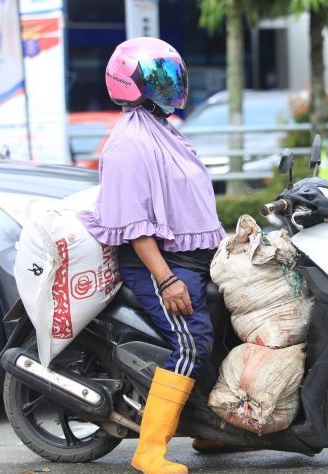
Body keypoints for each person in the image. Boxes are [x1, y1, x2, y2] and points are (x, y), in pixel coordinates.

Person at [78, 37, 227, 474]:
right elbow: (136, 226)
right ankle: (149, 451)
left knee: (220, 332)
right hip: (162, 265)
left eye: (170, 76)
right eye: (156, 77)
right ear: (129, 82)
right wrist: (166, 280)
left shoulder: (160, 127)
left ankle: (209, 427)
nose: (167, 84)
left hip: (191, 259)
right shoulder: (128, 143)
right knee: (191, 342)